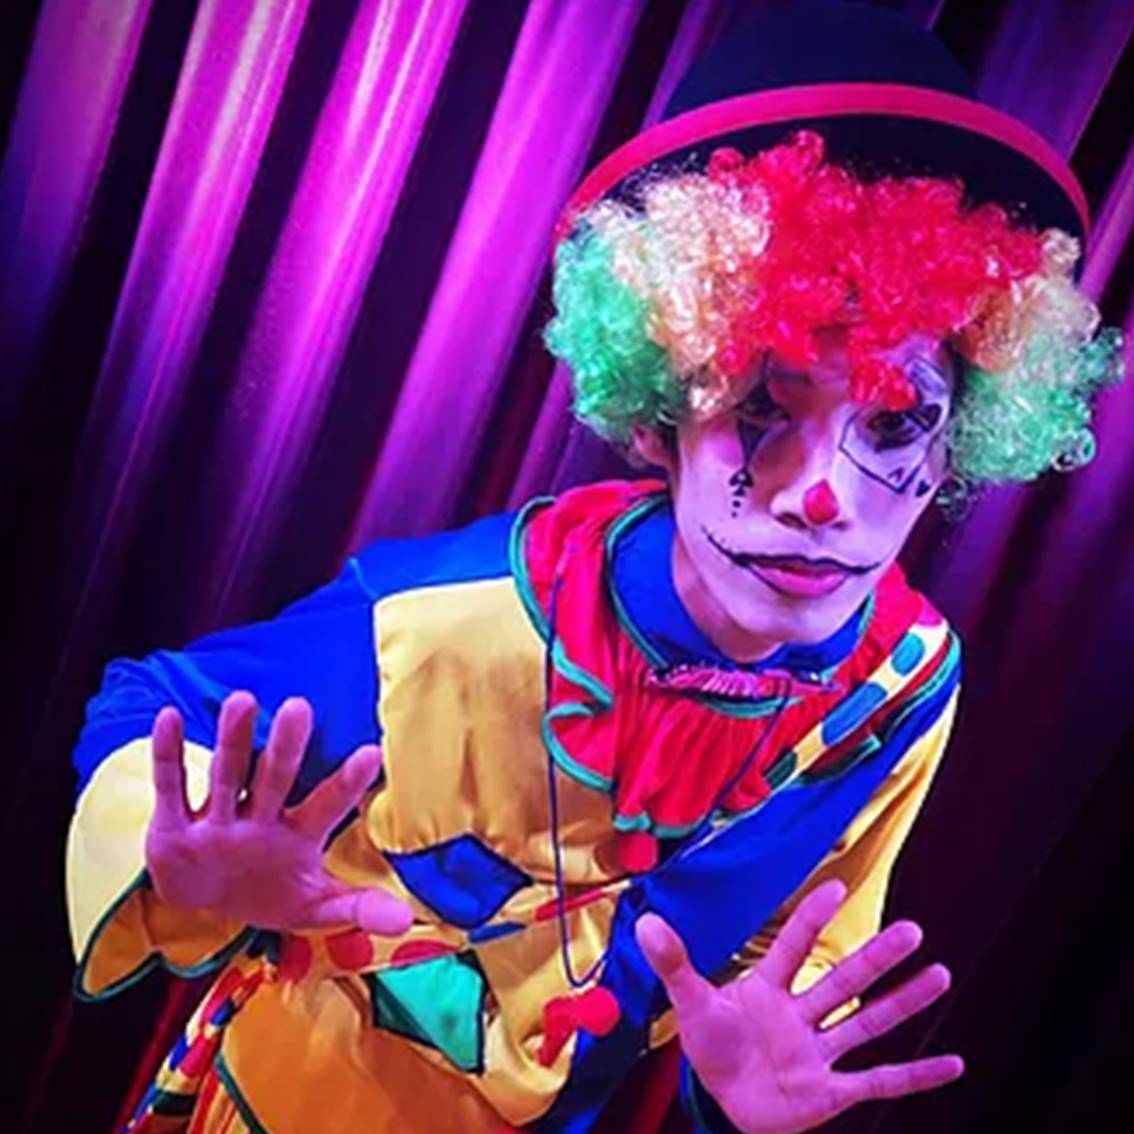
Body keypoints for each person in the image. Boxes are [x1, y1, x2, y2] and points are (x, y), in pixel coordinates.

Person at [65, 4, 1122, 1133]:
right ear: (663, 420)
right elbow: (145, 713)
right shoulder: (446, 620)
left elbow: (802, 950)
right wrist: (180, 867)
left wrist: (740, 1085)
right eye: (762, 408)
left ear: (960, 442)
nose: (823, 497)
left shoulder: (904, 689)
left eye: (898, 421)